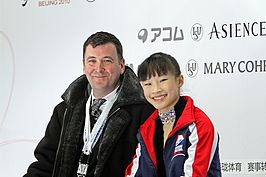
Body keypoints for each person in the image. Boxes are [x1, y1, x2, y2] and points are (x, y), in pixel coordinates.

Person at [23, 31, 154, 177]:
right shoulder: (65, 110)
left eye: (107, 60)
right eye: (92, 61)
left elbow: (146, 168)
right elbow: (44, 164)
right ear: (84, 66)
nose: (99, 69)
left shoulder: (144, 112)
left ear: (122, 65)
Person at [125, 52, 222, 177]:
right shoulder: (147, 128)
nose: (156, 89)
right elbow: (134, 172)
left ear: (180, 80)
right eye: (148, 84)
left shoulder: (199, 125)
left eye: (163, 80)